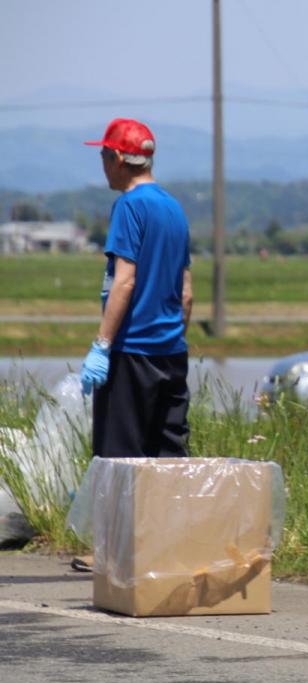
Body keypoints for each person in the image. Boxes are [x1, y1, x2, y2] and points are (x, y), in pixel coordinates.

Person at [73, 118, 193, 572]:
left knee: (118, 458)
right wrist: (173, 336)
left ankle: (112, 553)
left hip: (132, 352)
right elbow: (186, 292)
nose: (103, 164)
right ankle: (167, 549)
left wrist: (102, 345)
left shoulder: (129, 206)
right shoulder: (174, 209)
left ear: (119, 158)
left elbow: (124, 281)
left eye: (104, 156)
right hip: (171, 353)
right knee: (167, 456)